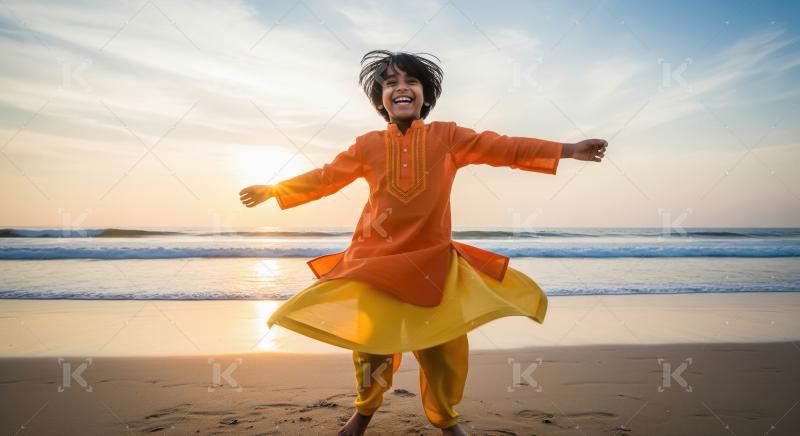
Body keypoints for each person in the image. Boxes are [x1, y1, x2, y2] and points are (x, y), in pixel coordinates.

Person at [239, 49, 607, 435]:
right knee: (372, 347)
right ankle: (363, 413)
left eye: (410, 81)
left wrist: (566, 151)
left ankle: (446, 422)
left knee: (443, 349)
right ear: (381, 100)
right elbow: (326, 178)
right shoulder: (367, 145)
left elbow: (504, 147)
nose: (401, 88)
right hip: (374, 262)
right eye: (390, 83)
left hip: (433, 263)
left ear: (425, 95)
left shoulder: (448, 137)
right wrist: (275, 188)